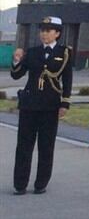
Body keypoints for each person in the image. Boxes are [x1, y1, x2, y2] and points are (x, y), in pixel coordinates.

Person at [11, 16, 73, 195]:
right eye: (42, 30)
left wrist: (65, 104)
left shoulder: (64, 53)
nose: (44, 34)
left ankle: (41, 183)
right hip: (29, 104)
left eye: (48, 30)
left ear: (57, 33)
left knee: (46, 146)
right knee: (24, 146)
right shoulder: (32, 52)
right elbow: (17, 75)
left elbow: (67, 80)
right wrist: (16, 60)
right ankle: (20, 184)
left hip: (50, 105)